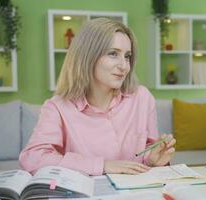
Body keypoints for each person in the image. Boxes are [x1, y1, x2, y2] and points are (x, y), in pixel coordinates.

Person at [19, 18, 176, 176]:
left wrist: (152, 160)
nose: (123, 66)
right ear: (88, 56)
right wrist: (103, 165)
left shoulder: (142, 98)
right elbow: (33, 158)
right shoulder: (58, 107)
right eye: (113, 54)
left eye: (127, 56)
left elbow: (147, 151)